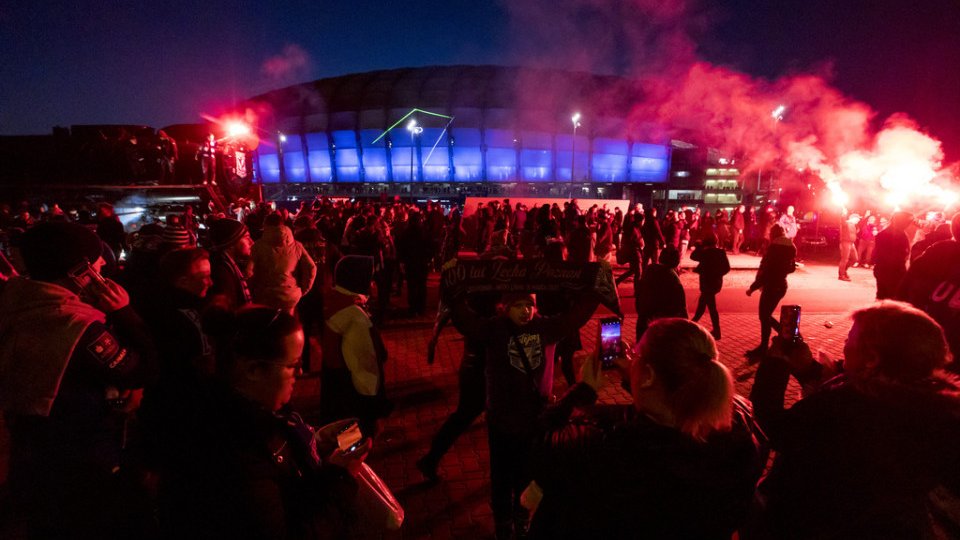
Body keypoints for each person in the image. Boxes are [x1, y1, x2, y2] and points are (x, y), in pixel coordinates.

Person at [527, 319, 766, 539]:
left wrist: (584, 389)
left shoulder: (609, 448)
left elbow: (539, 444)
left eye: (637, 355)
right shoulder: (742, 427)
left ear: (650, 375)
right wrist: (635, 377)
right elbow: (677, 406)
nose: (632, 359)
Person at [145, 306, 370, 539]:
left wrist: (313, 443)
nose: (300, 372)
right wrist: (340, 477)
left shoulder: (236, 408)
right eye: (292, 365)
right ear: (253, 369)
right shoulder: (236, 450)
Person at [749, 301, 960, 539]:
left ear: (872, 359)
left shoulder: (844, 406)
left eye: (850, 339)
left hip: (816, 522)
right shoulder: (938, 409)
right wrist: (809, 369)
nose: (845, 345)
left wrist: (775, 365)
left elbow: (776, 428)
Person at [0, 222, 158, 538]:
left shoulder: (19, 300)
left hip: (32, 452)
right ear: (80, 271)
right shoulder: (75, 324)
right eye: (97, 261)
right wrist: (125, 313)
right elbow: (144, 369)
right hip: (82, 458)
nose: (103, 266)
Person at [450, 286, 599, 539]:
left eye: (530, 305)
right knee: (501, 477)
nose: (525, 310)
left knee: (526, 473)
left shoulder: (544, 327)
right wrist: (453, 287)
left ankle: (521, 518)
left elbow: (575, 317)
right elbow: (465, 320)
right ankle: (502, 523)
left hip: (533, 418)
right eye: (518, 305)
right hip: (501, 418)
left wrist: (595, 290)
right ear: (505, 307)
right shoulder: (494, 329)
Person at [320, 255, 390, 437]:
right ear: (359, 280)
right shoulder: (354, 316)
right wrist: (374, 412)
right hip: (353, 400)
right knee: (353, 448)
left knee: (341, 445)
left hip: (335, 391)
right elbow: (365, 366)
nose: (374, 283)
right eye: (371, 278)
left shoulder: (335, 302)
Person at [898, 212, 960, 362]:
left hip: (923, 334)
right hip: (929, 336)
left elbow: (906, 285)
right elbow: (908, 284)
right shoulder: (940, 251)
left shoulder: (939, 250)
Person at [745, 224, 796, 359]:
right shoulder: (791, 247)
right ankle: (786, 337)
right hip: (781, 285)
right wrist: (782, 270)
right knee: (765, 316)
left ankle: (782, 338)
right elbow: (792, 268)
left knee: (764, 316)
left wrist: (753, 287)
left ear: (773, 235)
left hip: (771, 286)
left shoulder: (774, 248)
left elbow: (767, 272)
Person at [249, 213, 317, 314]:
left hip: (265, 295)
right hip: (290, 294)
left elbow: (249, 271)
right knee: (288, 324)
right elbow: (311, 267)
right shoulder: (297, 245)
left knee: (269, 325)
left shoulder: (257, 246)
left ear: (265, 225)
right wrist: (303, 289)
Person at [635, 246, 687, 341]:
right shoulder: (673, 278)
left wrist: (640, 310)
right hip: (662, 324)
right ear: (677, 261)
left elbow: (639, 292)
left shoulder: (649, 270)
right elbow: (681, 305)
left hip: (644, 319)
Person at [206, 218, 254, 312]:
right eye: (246, 238)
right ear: (231, 243)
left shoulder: (227, 264)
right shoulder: (221, 272)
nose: (251, 242)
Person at [691, 232, 731, 339]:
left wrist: (699, 246)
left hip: (706, 282)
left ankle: (716, 331)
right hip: (715, 282)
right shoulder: (720, 252)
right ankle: (693, 323)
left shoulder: (705, 252)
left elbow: (693, 256)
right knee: (702, 304)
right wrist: (717, 274)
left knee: (710, 307)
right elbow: (727, 268)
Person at [873, 211, 913, 299]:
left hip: (881, 268)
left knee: (882, 295)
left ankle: (880, 311)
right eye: (908, 222)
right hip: (894, 270)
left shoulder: (882, 233)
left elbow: (877, 253)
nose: (909, 225)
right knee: (893, 296)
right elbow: (902, 254)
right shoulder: (900, 235)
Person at [838, 212, 860, 281]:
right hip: (845, 243)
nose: (858, 220)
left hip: (851, 243)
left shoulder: (853, 225)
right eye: (858, 218)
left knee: (855, 259)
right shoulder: (846, 223)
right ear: (853, 218)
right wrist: (844, 213)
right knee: (844, 259)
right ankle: (841, 276)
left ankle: (844, 271)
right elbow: (842, 220)